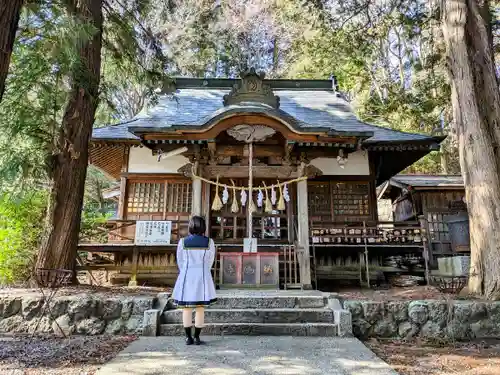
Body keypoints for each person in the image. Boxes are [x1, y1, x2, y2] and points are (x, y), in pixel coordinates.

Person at [172, 215, 217, 345]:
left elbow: (180, 260)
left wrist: (185, 270)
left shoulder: (183, 242)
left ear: (190, 226)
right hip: (202, 275)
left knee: (186, 308)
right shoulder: (209, 242)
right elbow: (210, 261)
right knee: (200, 307)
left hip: (186, 275)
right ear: (203, 227)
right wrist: (204, 270)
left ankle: (187, 337)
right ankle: (197, 337)